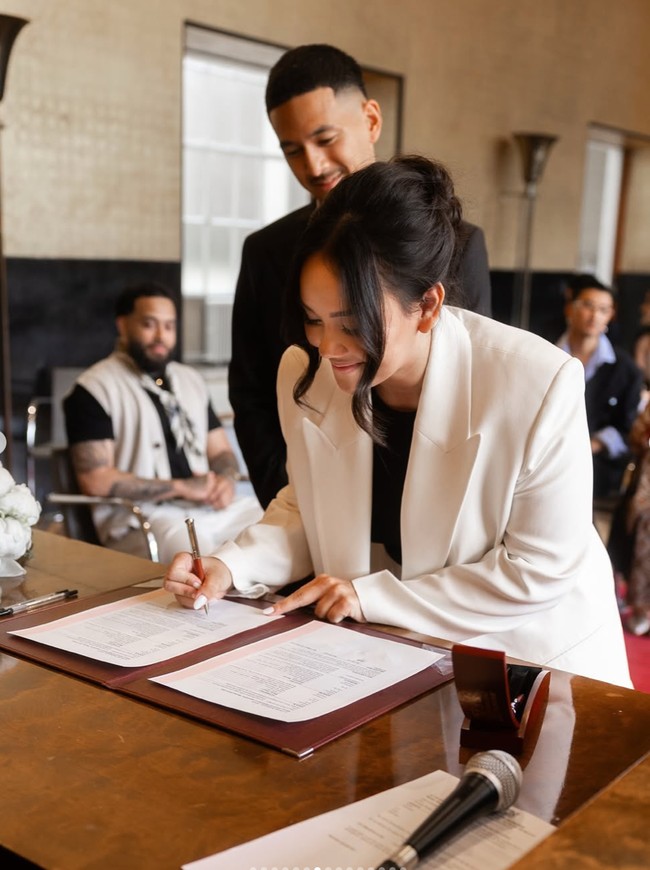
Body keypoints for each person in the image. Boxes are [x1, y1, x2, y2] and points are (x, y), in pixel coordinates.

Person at [166, 156, 631, 687]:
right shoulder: (306, 370)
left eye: (352, 323)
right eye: (313, 320)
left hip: (531, 658)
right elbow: (307, 503)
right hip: (396, 654)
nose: (329, 347)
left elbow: (538, 571)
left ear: (428, 305)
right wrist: (231, 567)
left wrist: (372, 595)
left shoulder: (536, 383)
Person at [229, 44, 492, 509]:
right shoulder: (265, 251)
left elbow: (464, 382)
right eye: (292, 150)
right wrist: (291, 499)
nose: (312, 165)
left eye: (325, 138)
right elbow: (250, 392)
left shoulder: (456, 242)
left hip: (421, 497)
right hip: (308, 498)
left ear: (371, 120)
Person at [63, 282, 262, 562]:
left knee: (277, 530)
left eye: (169, 326)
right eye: (149, 325)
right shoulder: (93, 389)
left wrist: (226, 482)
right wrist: (182, 487)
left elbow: (220, 452)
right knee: (200, 559)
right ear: (122, 325)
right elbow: (95, 480)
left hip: (209, 508)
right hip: (144, 516)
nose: (161, 337)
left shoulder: (190, 381)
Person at [556, 274, 642, 499]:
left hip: (598, 474)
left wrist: (591, 445)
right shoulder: (545, 354)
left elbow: (627, 428)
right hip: (546, 460)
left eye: (604, 309)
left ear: (611, 315)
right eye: (588, 306)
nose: (595, 315)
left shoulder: (626, 370)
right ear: (569, 308)